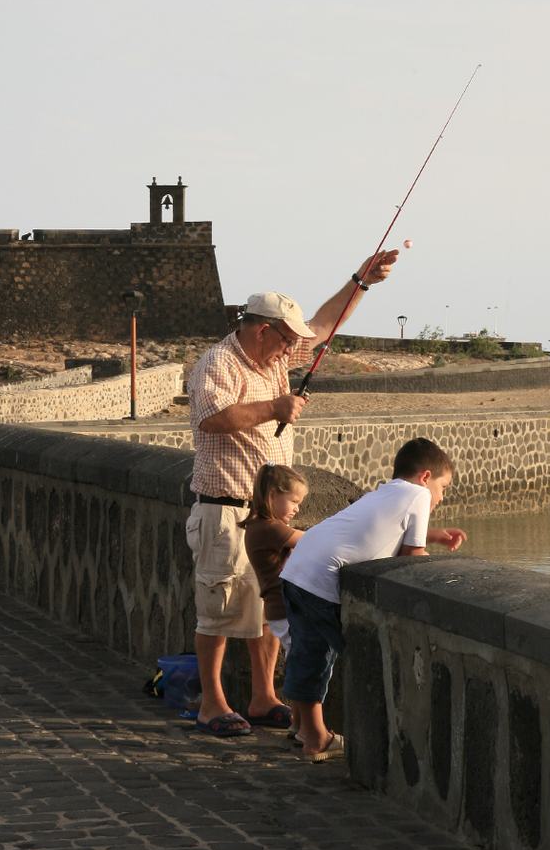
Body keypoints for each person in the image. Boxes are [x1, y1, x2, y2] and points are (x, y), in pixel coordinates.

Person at [186, 251, 398, 737]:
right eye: (286, 339)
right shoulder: (218, 363)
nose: (292, 349)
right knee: (218, 609)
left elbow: (324, 324)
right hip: (225, 511)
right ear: (263, 330)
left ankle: (263, 698)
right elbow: (211, 418)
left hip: (268, 516)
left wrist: (360, 282)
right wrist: (274, 407)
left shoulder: (276, 354)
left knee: (268, 609)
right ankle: (212, 704)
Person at [280, 437, 466, 762]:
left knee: (301, 651)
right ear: (425, 476)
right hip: (320, 580)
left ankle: (299, 725)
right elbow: (411, 554)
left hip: (298, 568)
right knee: (316, 658)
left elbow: (382, 532)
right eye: (444, 486)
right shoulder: (420, 494)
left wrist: (432, 534)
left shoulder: (384, 491)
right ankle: (316, 738)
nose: (442, 495)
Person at [243, 464, 309, 740]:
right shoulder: (270, 529)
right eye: (293, 501)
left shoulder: (260, 526)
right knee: (302, 664)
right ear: (272, 495)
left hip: (277, 608)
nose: (296, 509)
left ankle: (297, 725)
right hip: (283, 608)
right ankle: (306, 727)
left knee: (297, 660)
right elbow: (311, 541)